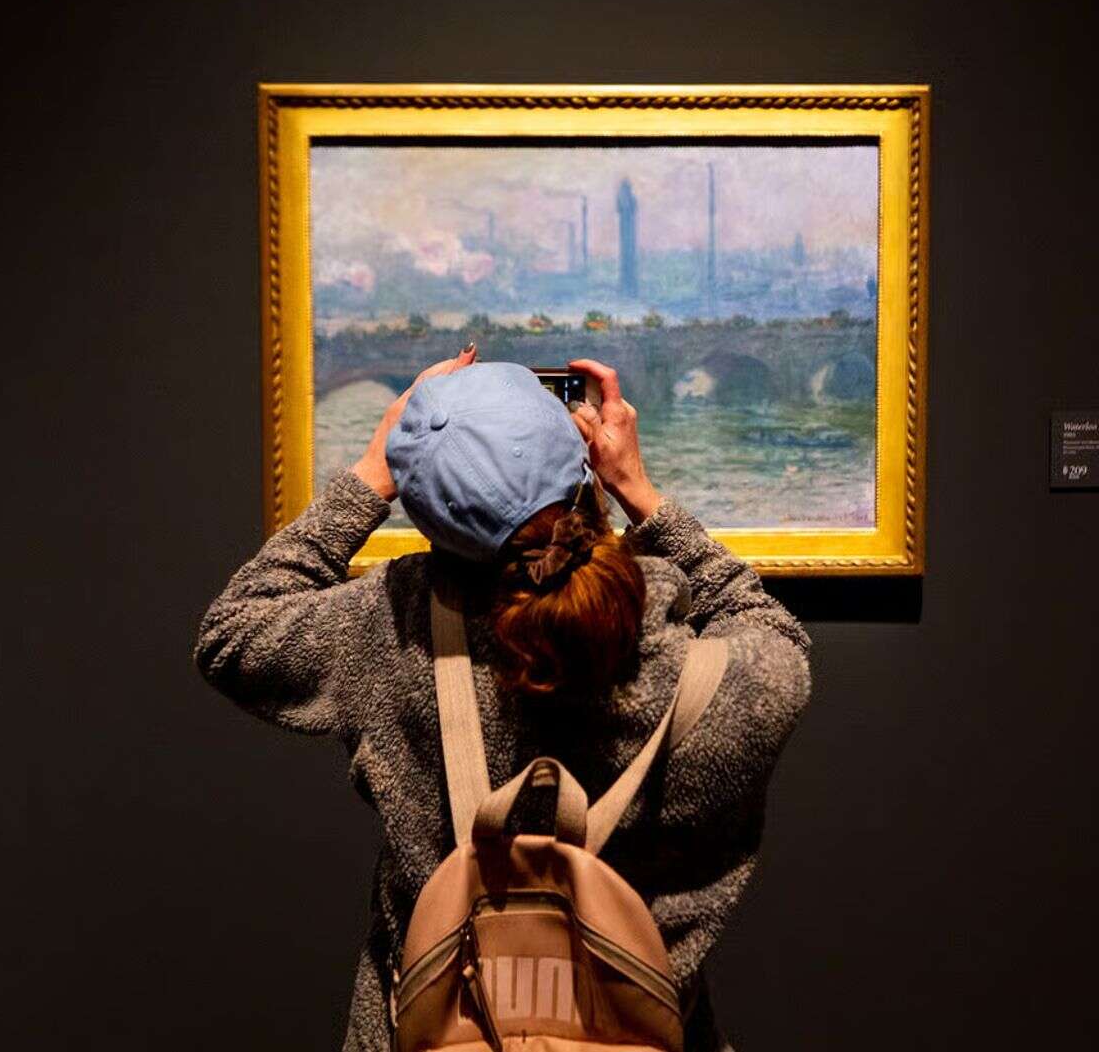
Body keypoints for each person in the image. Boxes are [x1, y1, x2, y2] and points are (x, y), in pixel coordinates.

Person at [192, 344, 811, 1052]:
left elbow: (232, 632)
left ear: (430, 516)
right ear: (586, 477)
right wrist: (641, 493)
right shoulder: (704, 682)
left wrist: (370, 476)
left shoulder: (385, 632)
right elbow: (775, 638)